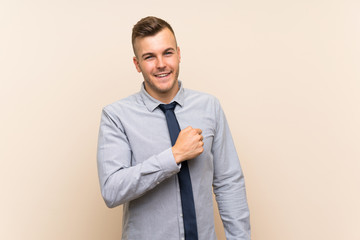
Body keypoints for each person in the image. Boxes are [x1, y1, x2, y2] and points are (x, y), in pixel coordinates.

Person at [97, 16, 250, 240]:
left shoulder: (209, 107)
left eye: (167, 53)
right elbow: (112, 190)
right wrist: (174, 155)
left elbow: (229, 182)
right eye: (149, 57)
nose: (161, 64)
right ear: (137, 64)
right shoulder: (116, 116)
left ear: (179, 54)